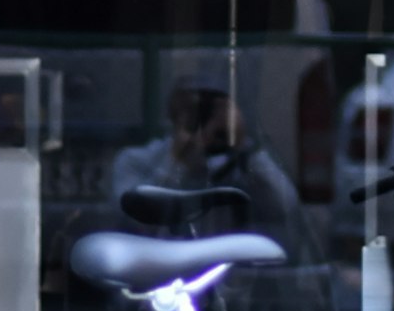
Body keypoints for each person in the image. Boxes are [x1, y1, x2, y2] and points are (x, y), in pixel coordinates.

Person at [104, 77, 301, 249]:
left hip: (225, 274)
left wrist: (246, 147)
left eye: (213, 111)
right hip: (155, 272)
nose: (203, 120)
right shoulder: (136, 160)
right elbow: (134, 221)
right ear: (173, 115)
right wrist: (178, 163)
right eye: (194, 112)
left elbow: (286, 207)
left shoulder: (243, 162)